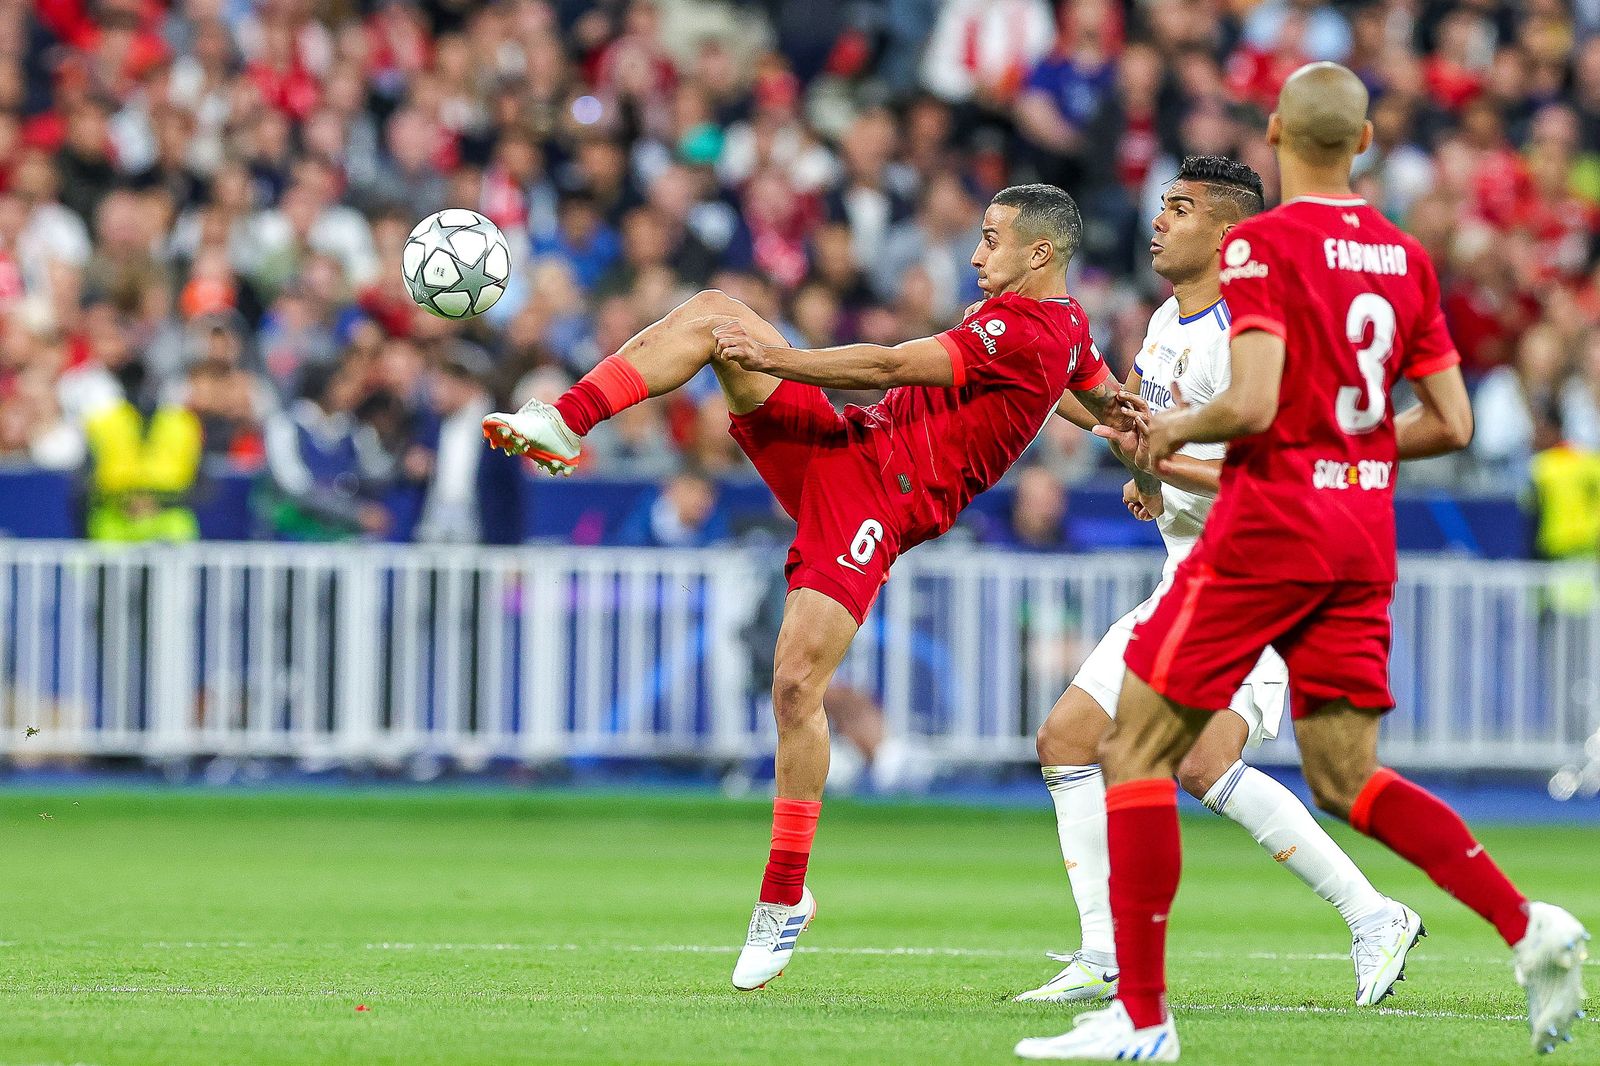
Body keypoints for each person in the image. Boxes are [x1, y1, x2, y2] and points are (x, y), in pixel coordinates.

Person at [1015, 63, 1589, 1063]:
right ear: (1364, 141)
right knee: (1344, 774)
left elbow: (1249, 402)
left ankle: (1139, 1018)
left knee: (1142, 749)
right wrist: (1342, 451)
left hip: (1267, 528)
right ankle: (1524, 923)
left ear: (1276, 128)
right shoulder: (1405, 256)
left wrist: (1167, 436)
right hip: (1358, 532)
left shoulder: (1264, 246)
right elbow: (1449, 420)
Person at [482, 184, 1135, 991]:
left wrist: (780, 360)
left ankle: (784, 899)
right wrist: (1142, 455)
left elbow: (895, 364)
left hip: (880, 505)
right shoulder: (1065, 333)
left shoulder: (1020, 328)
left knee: (795, 684)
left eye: (991, 240)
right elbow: (1097, 398)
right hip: (846, 449)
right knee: (714, 309)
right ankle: (567, 418)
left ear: (1040, 253)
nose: (974, 255)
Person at [1018, 154, 1417, 1012]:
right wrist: (1041, 380)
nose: (1159, 221)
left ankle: (1374, 914)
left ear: (1230, 236)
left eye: (1181, 209)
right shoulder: (1167, 318)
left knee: (1203, 762)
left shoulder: (1250, 337)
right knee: (1066, 741)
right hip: (1185, 577)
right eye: (1161, 206)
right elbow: (1133, 417)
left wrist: (1160, 457)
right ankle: (1104, 953)